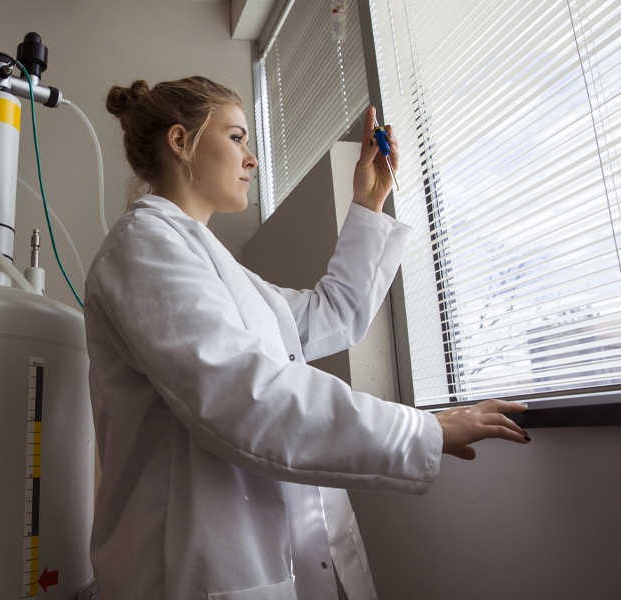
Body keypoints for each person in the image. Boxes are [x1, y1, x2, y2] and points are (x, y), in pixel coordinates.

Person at [84, 77, 529, 600]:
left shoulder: (216, 266)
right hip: (182, 571)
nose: (251, 159)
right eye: (236, 138)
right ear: (179, 141)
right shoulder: (145, 249)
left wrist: (368, 202)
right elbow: (249, 398)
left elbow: (331, 314)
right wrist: (421, 430)